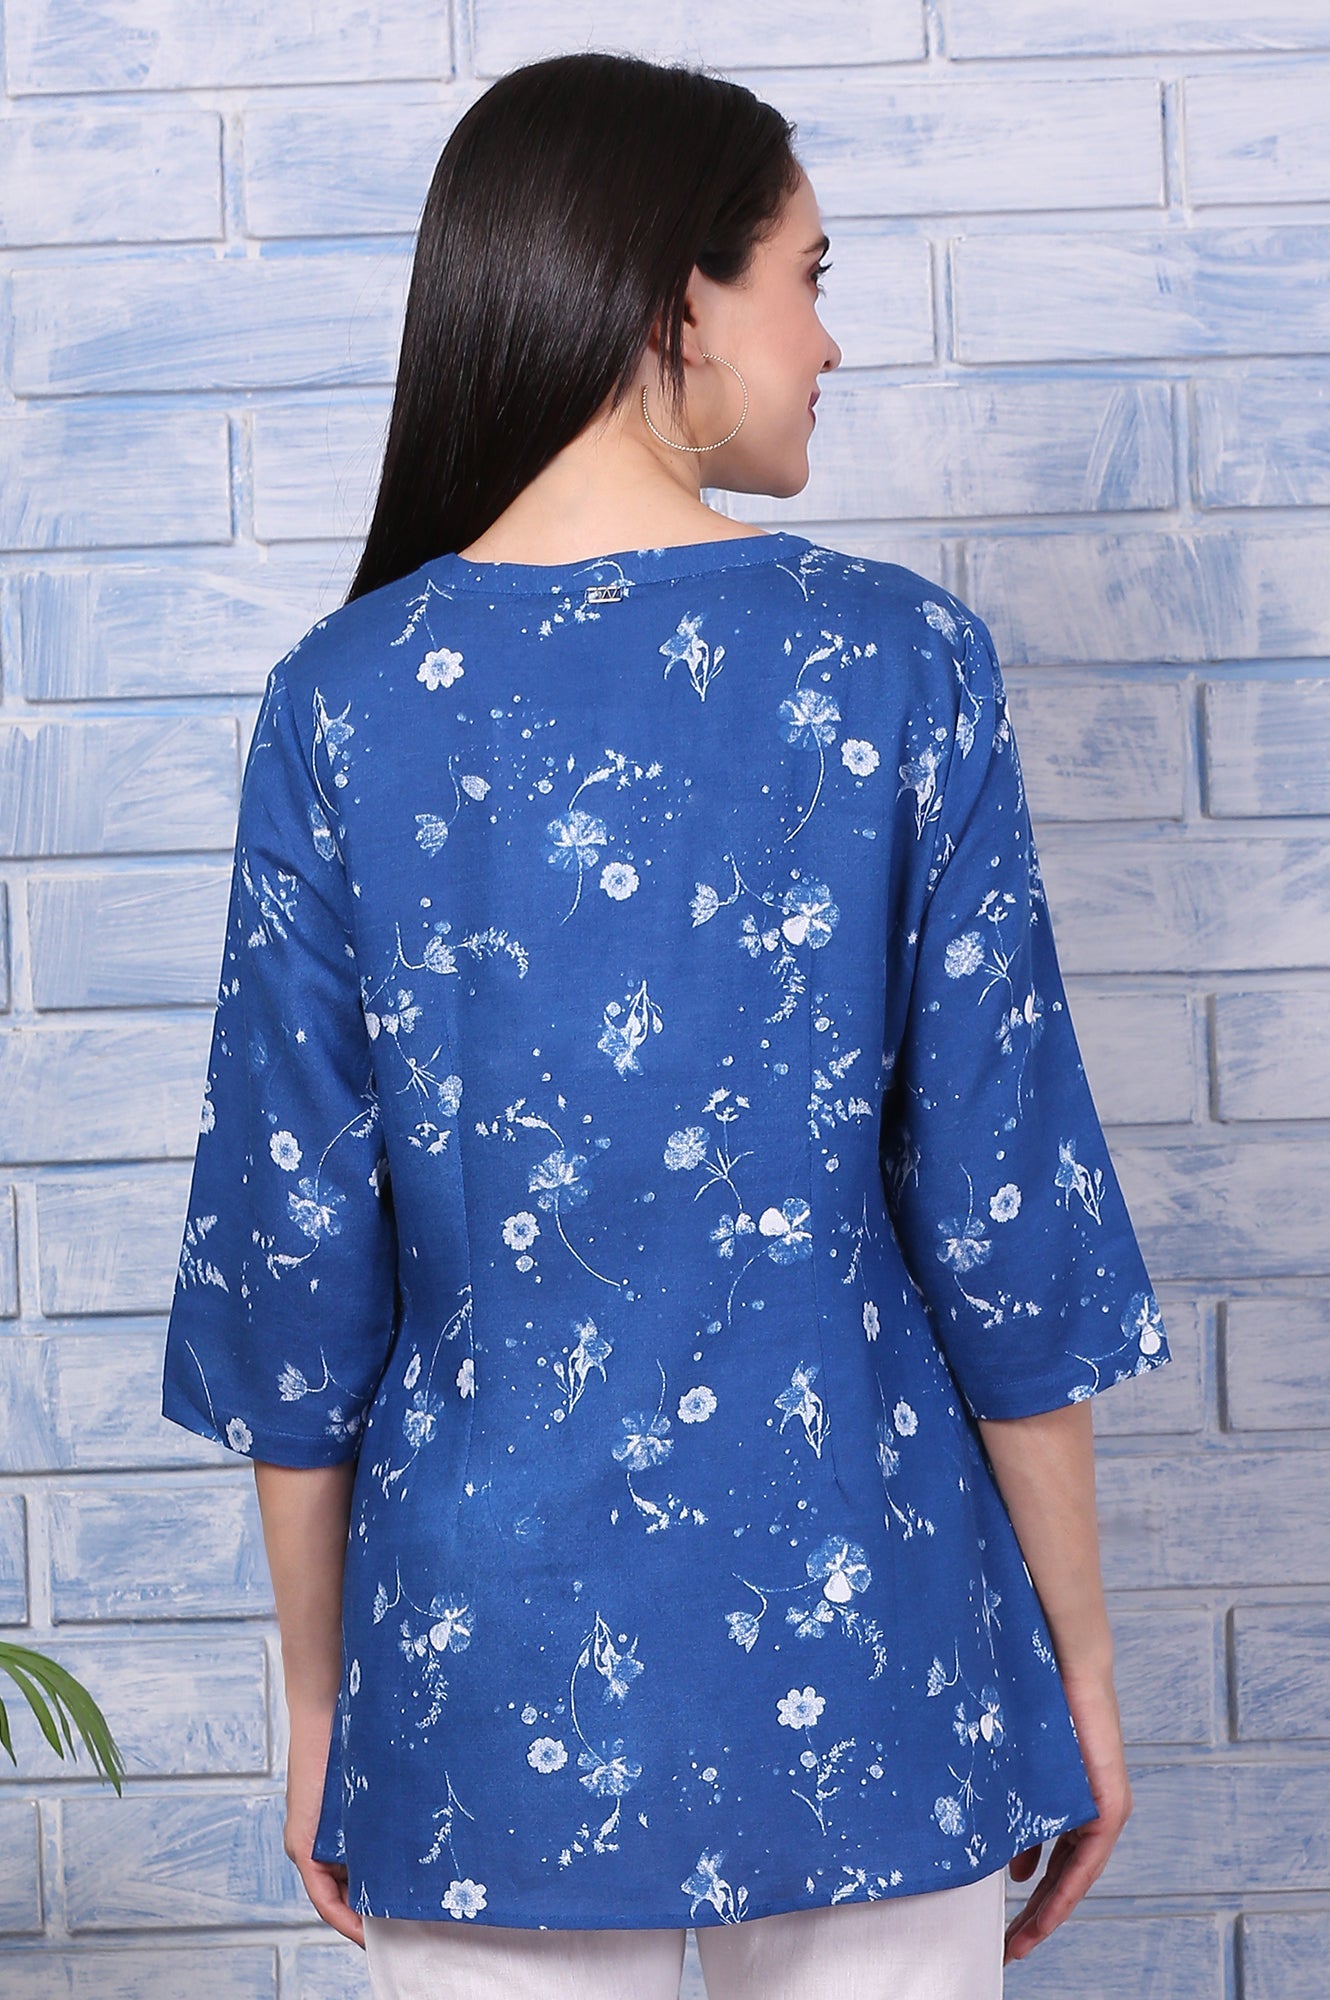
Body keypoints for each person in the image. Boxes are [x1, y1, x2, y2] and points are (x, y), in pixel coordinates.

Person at [159, 48, 1173, 2000]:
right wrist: (1082, 1668)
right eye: (806, 274)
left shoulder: (343, 699)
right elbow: (1003, 1222)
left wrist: (319, 1702)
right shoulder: (897, 661)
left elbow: (296, 1272)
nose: (830, 339)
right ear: (674, 299)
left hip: (476, 1671)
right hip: (871, 1643)